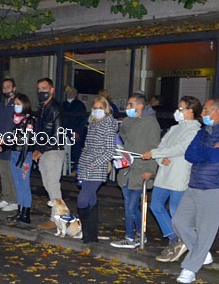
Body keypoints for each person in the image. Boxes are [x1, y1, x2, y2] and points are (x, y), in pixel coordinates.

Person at [171, 98, 219, 284]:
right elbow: (189, 155)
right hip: (195, 183)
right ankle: (201, 254)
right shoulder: (202, 132)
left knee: (205, 230)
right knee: (179, 221)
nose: (202, 114)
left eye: (206, 111)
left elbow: (218, 156)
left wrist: (204, 151)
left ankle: (190, 269)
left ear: (217, 112)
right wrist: (208, 150)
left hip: (214, 186)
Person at [139, 96, 202, 261]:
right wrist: (160, 158)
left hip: (179, 174)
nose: (178, 112)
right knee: (156, 205)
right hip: (165, 173)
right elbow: (163, 146)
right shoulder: (174, 128)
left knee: (175, 209)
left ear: (191, 111)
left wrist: (155, 154)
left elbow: (181, 148)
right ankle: (175, 238)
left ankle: (180, 239)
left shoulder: (195, 130)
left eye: (182, 109)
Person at [110, 93, 161, 249]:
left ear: (140, 106)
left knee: (132, 206)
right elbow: (123, 137)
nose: (127, 108)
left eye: (130, 105)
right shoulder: (128, 121)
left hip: (140, 170)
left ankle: (134, 236)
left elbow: (154, 148)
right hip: (126, 169)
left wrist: (151, 170)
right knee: (129, 206)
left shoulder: (151, 124)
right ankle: (135, 235)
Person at [76, 96, 118, 244]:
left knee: (82, 199)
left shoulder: (108, 124)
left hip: (97, 167)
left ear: (106, 109)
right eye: (95, 108)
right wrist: (82, 163)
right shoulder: (92, 123)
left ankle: (87, 232)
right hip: (86, 165)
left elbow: (109, 150)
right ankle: (90, 235)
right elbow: (87, 146)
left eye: (100, 108)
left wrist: (96, 163)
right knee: (90, 198)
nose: (97, 111)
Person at [32, 78, 66, 224]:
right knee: (48, 185)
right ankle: (59, 216)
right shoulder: (43, 108)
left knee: (52, 185)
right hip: (45, 150)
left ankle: (57, 219)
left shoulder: (55, 108)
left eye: (44, 89)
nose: (41, 92)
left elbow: (58, 133)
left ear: (52, 90)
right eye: (39, 89)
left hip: (53, 150)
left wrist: (41, 149)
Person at [6, 93, 37, 224]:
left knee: (24, 185)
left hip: (24, 156)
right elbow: (13, 139)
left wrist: (22, 159)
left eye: (19, 104)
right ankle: (20, 211)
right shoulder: (17, 120)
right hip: (14, 154)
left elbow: (27, 142)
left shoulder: (29, 120)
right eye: (15, 104)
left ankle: (26, 213)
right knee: (17, 184)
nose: (16, 107)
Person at [0, 78, 19, 212]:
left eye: (8, 87)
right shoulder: (2, 104)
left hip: (9, 143)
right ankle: (6, 197)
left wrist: (5, 140)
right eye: (4, 87)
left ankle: (14, 200)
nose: (5, 90)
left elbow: (14, 125)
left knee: (10, 172)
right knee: (2, 171)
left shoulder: (17, 104)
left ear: (14, 88)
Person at [63, 85, 87, 175]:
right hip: (64, 130)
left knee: (77, 148)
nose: (69, 94)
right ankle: (62, 167)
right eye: (68, 92)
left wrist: (78, 131)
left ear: (75, 94)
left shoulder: (80, 105)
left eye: (71, 92)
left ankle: (76, 168)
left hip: (75, 130)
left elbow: (82, 120)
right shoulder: (63, 105)